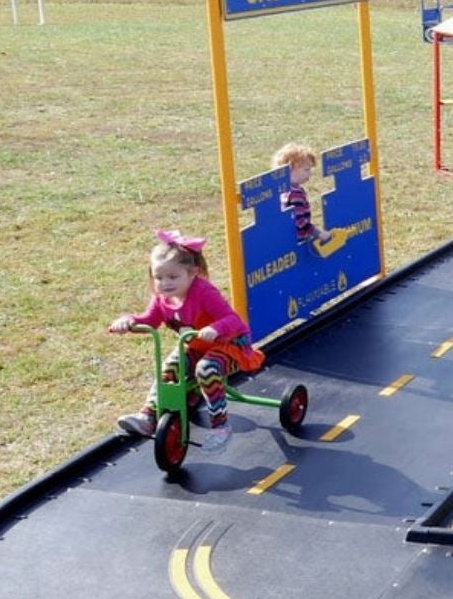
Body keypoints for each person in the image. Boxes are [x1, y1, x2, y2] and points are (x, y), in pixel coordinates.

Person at [107, 229, 264, 451]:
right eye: (159, 277)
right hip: (197, 346)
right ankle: (148, 416)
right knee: (170, 366)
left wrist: (214, 328)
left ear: (193, 273)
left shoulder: (204, 292)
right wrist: (128, 321)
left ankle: (220, 426)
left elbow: (234, 321)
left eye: (173, 277)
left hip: (230, 345)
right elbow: (149, 321)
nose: (165, 283)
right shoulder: (162, 297)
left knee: (206, 369)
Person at [270, 143, 320, 243]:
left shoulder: (284, 190)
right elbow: (299, 221)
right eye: (306, 169)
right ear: (290, 169)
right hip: (297, 240)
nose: (310, 173)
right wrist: (318, 233)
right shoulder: (295, 194)